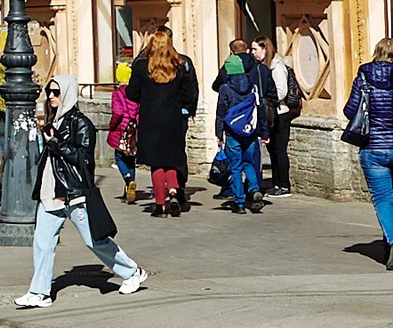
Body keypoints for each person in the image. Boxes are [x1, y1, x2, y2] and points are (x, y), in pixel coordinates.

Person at [15, 77, 147, 308]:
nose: (51, 96)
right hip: (50, 193)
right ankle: (39, 292)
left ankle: (132, 272)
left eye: (56, 92)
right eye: (49, 92)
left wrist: (55, 143)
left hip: (73, 193)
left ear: (68, 93)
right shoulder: (53, 121)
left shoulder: (81, 123)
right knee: (42, 243)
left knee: (95, 241)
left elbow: (84, 160)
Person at [345, 36, 393, 269]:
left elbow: (350, 111)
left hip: (374, 149)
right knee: (392, 196)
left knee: (383, 198)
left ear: (376, 54)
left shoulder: (363, 80)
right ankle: (391, 243)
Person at [122, 27, 198, 216]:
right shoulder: (179, 64)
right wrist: (186, 109)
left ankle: (160, 205)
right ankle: (173, 189)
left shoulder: (141, 66)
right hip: (173, 118)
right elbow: (188, 90)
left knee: (156, 163)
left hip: (151, 119)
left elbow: (132, 93)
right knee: (171, 160)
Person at [211, 47, 268, 214]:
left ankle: (239, 202)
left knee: (235, 166)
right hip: (250, 132)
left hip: (233, 133)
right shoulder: (253, 86)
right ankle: (254, 189)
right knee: (249, 163)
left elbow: (221, 112)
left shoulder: (225, 89)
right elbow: (261, 109)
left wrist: (218, 133)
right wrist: (264, 132)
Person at [258, 37, 302, 195]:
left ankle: (284, 185)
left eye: (256, 49)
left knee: (279, 150)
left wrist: (269, 99)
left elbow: (281, 91)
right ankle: (276, 184)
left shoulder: (276, 67)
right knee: (273, 150)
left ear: (264, 49)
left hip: (281, 113)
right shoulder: (266, 66)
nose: (253, 53)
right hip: (273, 112)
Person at [108, 59, 142, 203]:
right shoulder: (136, 93)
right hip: (135, 130)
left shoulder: (118, 93)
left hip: (122, 130)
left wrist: (112, 125)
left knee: (119, 157)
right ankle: (128, 190)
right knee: (131, 159)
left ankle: (128, 180)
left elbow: (118, 112)